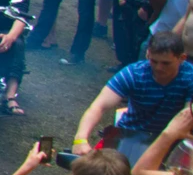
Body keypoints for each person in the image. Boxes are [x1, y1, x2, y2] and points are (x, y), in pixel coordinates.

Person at [71, 29, 193, 164]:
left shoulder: (190, 77)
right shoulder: (134, 73)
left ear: (182, 58)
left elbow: (187, 117)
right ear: (147, 54)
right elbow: (98, 106)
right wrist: (80, 139)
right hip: (131, 135)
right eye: (154, 61)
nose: (158, 67)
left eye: (166, 63)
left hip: (172, 141)